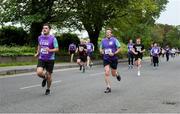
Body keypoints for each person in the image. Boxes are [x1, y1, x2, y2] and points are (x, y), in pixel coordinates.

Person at [34, 23, 59, 95]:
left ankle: (48, 89)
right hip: (41, 58)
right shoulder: (40, 37)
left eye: (46, 28)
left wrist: (50, 50)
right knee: (39, 72)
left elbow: (57, 49)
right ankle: (44, 77)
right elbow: (39, 45)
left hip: (50, 59)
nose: (44, 29)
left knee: (49, 76)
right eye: (43, 28)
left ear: (49, 30)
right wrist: (37, 53)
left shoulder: (53, 38)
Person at [100, 28, 121, 93]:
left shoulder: (115, 40)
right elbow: (101, 48)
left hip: (113, 58)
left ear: (111, 34)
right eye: (107, 32)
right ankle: (108, 87)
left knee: (113, 74)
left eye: (109, 32)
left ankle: (117, 74)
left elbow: (119, 48)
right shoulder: (103, 41)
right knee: (106, 72)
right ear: (105, 34)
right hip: (106, 58)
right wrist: (101, 51)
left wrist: (114, 53)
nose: (108, 33)